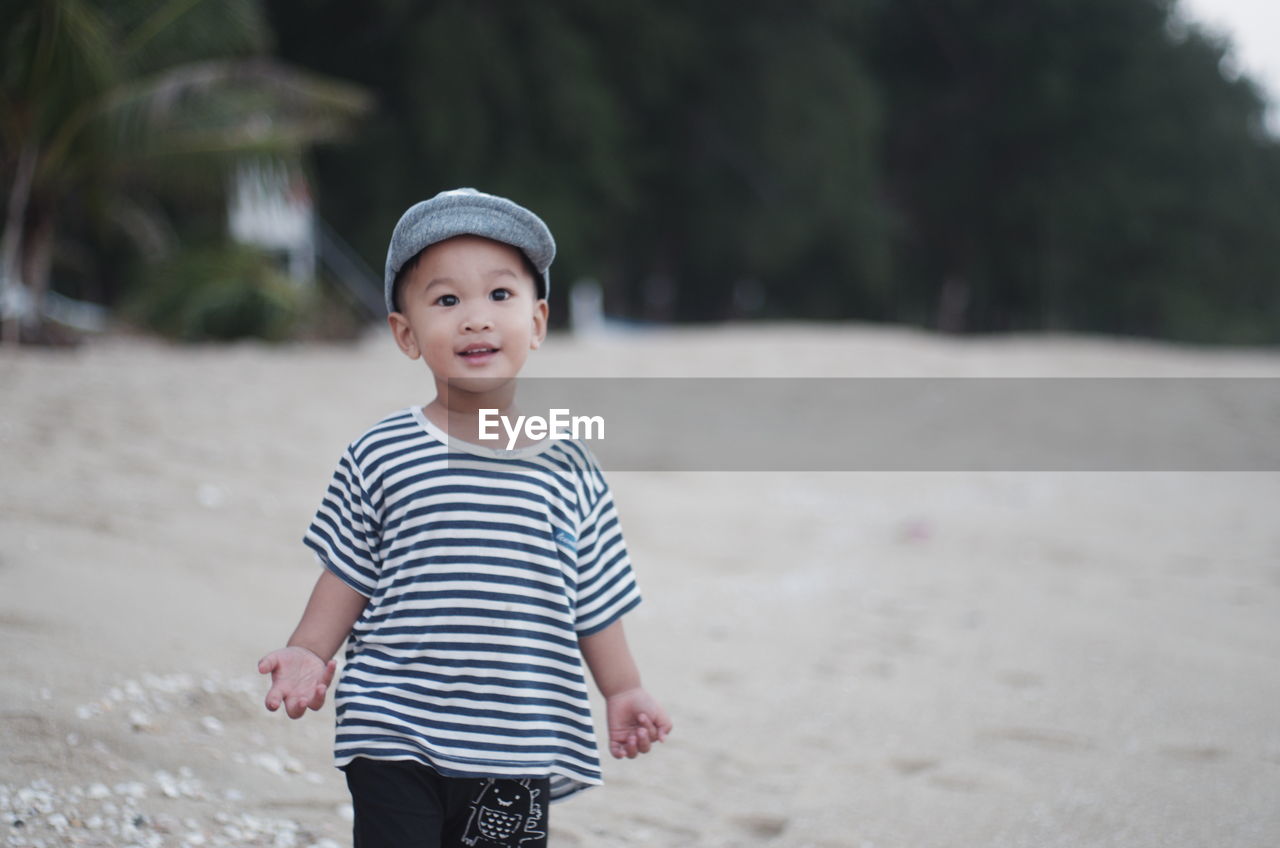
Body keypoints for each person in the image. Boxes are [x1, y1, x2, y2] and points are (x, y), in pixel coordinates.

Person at [258, 188, 671, 847]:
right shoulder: (382, 453)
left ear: (537, 323)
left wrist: (623, 690)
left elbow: (595, 598)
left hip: (514, 742)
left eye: (499, 296)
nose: (475, 319)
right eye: (446, 301)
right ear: (406, 333)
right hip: (391, 726)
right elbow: (348, 572)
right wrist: (309, 650)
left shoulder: (568, 466)